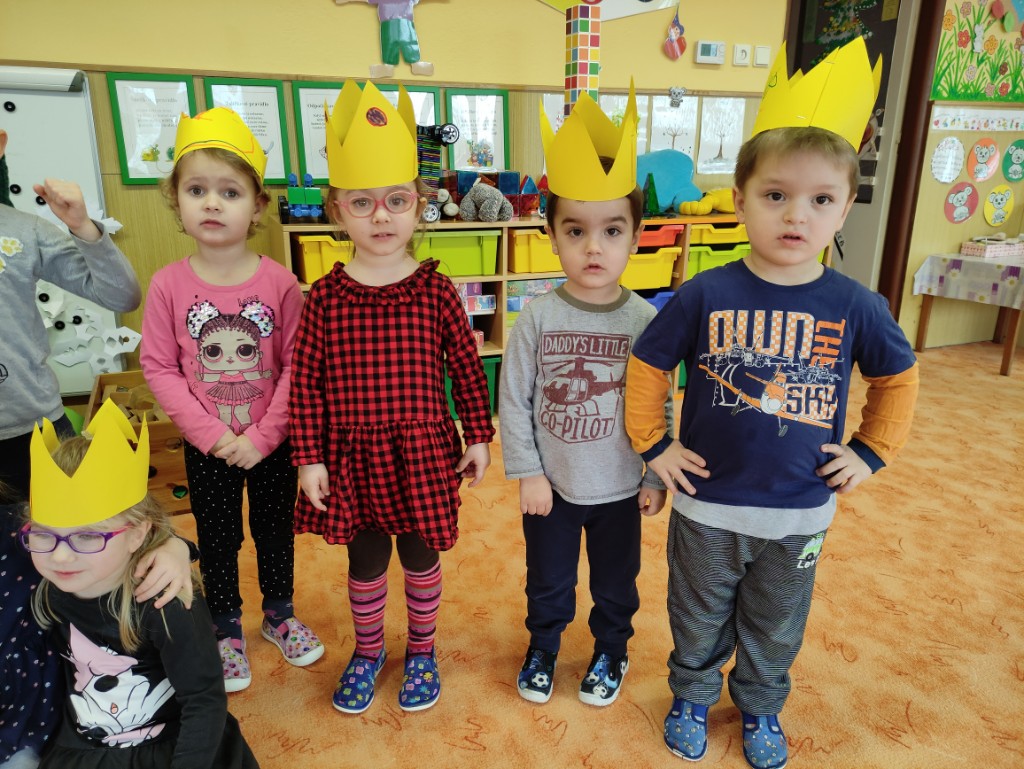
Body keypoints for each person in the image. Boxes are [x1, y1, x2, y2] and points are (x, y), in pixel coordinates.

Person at [625, 39, 919, 769]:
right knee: (696, 613)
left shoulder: (856, 303)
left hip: (799, 512)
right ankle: (692, 695)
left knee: (778, 621)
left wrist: (871, 450)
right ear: (740, 199)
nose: (797, 215)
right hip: (708, 506)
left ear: (845, 207)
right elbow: (648, 364)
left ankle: (760, 705)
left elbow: (898, 378)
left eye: (821, 199)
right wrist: (654, 445)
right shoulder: (705, 292)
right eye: (776, 194)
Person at [289, 80, 493, 715]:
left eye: (396, 201)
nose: (381, 217)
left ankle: (422, 651)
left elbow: (466, 368)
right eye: (363, 203)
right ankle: (370, 650)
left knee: (422, 555)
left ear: (418, 206)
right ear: (338, 209)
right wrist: (309, 457)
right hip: (354, 456)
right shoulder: (324, 297)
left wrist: (479, 436)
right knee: (367, 559)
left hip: (424, 453)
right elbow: (306, 384)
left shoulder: (436, 290)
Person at [140, 107, 322, 693]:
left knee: (274, 531)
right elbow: (159, 366)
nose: (213, 204)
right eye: (197, 190)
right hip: (209, 445)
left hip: (272, 441)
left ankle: (279, 614)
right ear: (177, 202)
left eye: (230, 192)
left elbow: (298, 366)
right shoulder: (168, 285)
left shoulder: (281, 283)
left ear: (257, 206)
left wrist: (264, 436)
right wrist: (214, 436)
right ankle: (225, 627)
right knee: (218, 539)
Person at [499, 86, 670, 707]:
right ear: (551, 235)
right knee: (547, 580)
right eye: (576, 230)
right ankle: (544, 645)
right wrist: (528, 472)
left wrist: (656, 474)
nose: (594, 247)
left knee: (617, 582)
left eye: (611, 231)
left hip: (621, 485)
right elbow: (514, 399)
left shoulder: (646, 321)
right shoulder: (537, 317)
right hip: (552, 485)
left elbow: (658, 404)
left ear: (636, 236)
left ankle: (611, 650)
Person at [23, 399, 258, 768]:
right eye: (43, 534)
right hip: (83, 746)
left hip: (167, 747)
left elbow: (204, 701)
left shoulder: (166, 602)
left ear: (137, 534)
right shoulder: (50, 590)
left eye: (88, 536)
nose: (61, 556)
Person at [0, 126, 141, 499]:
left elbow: (122, 296)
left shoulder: (25, 230)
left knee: (62, 530)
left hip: (34, 429)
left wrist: (83, 227)